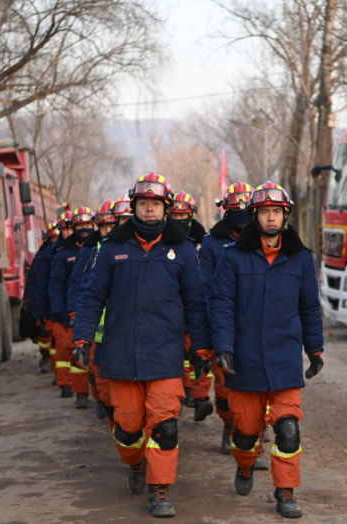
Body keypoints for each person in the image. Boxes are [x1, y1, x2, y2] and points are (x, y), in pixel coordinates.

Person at [71, 173, 211, 518]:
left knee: (165, 426)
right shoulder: (113, 249)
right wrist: (82, 338)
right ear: (134, 206)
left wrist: (202, 349)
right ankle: (135, 465)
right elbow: (92, 298)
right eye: (144, 204)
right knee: (129, 430)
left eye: (156, 205)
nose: (150, 210)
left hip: (165, 355)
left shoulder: (181, 250)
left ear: (166, 209)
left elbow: (195, 302)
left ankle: (160, 491)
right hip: (121, 355)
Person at [210, 181, 324, 519]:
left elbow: (309, 307)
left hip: (284, 357)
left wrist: (314, 349)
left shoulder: (301, 259)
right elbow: (220, 304)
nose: (271, 218)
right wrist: (224, 347)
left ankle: (285, 492)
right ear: (255, 215)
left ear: (285, 215)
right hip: (245, 361)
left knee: (288, 429)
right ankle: (244, 466)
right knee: (245, 434)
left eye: (276, 212)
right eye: (264, 212)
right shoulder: (233, 257)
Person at [199, 181, 254, 453]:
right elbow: (205, 286)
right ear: (226, 211)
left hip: (256, 324)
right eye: (236, 211)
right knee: (224, 386)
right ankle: (228, 424)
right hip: (222, 324)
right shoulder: (211, 244)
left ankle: (254, 434)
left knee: (260, 384)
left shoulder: (266, 238)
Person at [67, 200, 116, 414]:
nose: (107, 230)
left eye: (111, 226)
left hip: (119, 319)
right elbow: (79, 282)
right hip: (97, 319)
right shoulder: (91, 250)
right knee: (96, 366)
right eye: (103, 226)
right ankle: (100, 400)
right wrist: (75, 313)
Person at [170, 191, 213, 420]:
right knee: (178, 355)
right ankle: (184, 392)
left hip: (198, 308)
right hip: (174, 311)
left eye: (183, 215)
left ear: (191, 215)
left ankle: (200, 400)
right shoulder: (163, 242)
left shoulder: (204, 242)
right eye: (174, 215)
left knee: (200, 354)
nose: (179, 220)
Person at [50, 207, 94, 400]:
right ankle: (80, 393)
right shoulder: (61, 254)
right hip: (72, 312)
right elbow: (56, 285)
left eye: (87, 224)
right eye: (79, 225)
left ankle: (100, 397)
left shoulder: (103, 249)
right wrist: (59, 312)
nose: (84, 229)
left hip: (97, 311)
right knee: (71, 350)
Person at [33, 218, 62, 385]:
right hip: (53, 309)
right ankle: (59, 376)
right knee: (56, 343)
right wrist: (38, 308)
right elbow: (39, 284)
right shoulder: (44, 257)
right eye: (52, 239)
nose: (55, 243)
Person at [25, 224, 58, 373]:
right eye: (52, 238)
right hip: (44, 303)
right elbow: (33, 280)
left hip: (57, 303)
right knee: (44, 335)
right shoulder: (41, 258)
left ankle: (54, 363)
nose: (55, 241)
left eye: (56, 237)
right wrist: (29, 300)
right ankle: (46, 358)